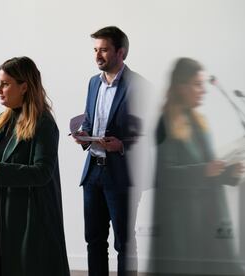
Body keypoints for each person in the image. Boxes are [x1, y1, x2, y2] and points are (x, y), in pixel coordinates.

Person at [0, 56, 70, 276]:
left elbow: (42, 172)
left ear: (25, 86)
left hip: (22, 216)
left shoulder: (43, 124)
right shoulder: (2, 119)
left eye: (5, 84)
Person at [149, 57, 245, 275]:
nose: (203, 90)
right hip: (183, 221)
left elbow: (209, 168)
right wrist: (204, 170)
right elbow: (166, 175)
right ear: (182, 87)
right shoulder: (166, 123)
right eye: (197, 84)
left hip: (208, 215)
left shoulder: (198, 121)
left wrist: (230, 172)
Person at [73, 26, 147, 276]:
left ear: (121, 52)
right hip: (93, 171)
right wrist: (83, 134)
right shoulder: (93, 83)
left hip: (122, 175)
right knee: (93, 241)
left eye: (104, 50)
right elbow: (89, 120)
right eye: (95, 50)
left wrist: (122, 145)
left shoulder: (139, 86)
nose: (97, 55)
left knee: (124, 244)